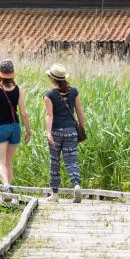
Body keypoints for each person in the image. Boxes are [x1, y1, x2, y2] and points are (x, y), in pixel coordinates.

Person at [0, 60, 31, 201]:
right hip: (15, 127)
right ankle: (7, 193)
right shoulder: (18, 89)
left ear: (0, 73)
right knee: (8, 161)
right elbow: (23, 113)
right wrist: (28, 131)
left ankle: (6, 186)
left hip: (0, 128)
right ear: (12, 74)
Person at [43, 63, 85, 203]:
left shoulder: (49, 95)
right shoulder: (74, 92)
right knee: (72, 160)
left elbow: (49, 115)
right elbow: (79, 112)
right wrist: (81, 127)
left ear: (52, 78)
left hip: (56, 133)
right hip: (71, 131)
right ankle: (76, 185)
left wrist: (49, 133)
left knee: (55, 162)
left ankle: (55, 194)